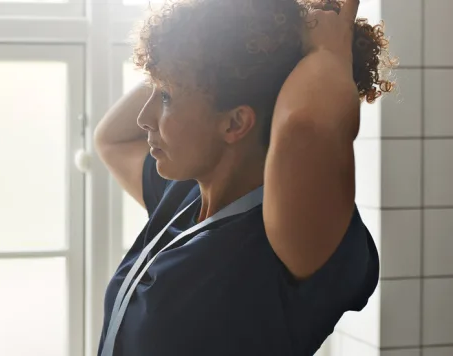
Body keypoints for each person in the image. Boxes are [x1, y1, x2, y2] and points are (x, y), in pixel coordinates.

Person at [93, 0, 393, 355]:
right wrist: (199, 47)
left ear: (235, 123)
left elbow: (305, 127)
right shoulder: (184, 196)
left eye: (167, 97)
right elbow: (111, 139)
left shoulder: (289, 238)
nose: (145, 117)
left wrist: (328, 50)